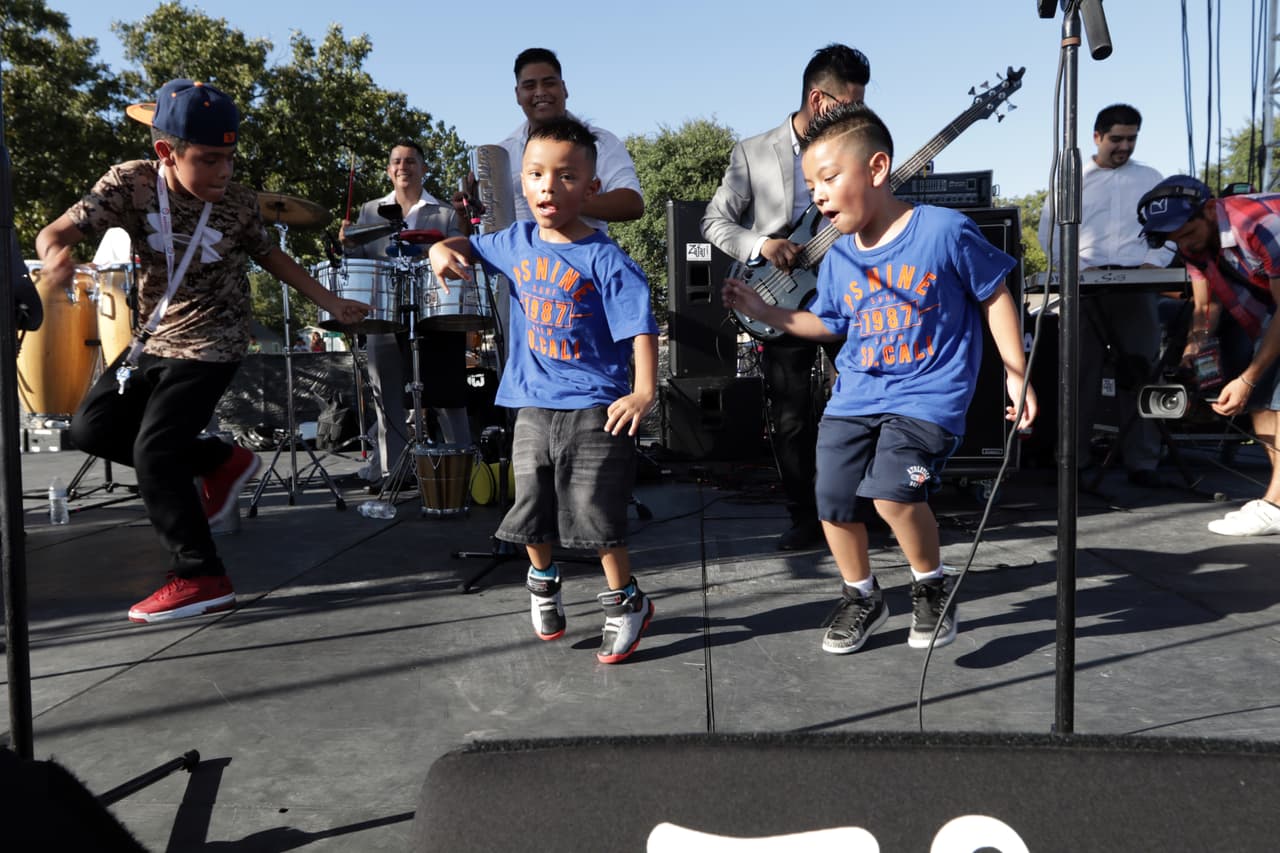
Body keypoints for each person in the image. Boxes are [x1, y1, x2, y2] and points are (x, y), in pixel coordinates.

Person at [34, 79, 367, 623]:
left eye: (230, 159)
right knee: (91, 428)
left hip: (216, 339)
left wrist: (331, 302)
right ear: (166, 152)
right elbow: (57, 231)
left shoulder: (237, 204)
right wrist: (54, 257)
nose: (225, 173)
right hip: (156, 339)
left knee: (156, 452)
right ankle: (222, 459)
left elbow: (274, 259)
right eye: (209, 160)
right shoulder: (132, 183)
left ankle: (200, 576)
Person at [723, 103, 1036, 654]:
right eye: (810, 184)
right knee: (832, 500)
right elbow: (829, 323)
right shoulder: (840, 256)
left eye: (828, 178)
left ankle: (931, 586)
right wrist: (767, 313)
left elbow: (994, 294)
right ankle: (862, 595)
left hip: (928, 397)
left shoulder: (943, 230)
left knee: (893, 494)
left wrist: (1017, 373)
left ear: (876, 168)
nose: (817, 194)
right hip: (855, 397)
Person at [428, 117, 659, 664]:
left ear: (591, 188)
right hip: (531, 398)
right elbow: (468, 244)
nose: (547, 187)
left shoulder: (605, 259)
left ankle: (625, 602)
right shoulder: (515, 241)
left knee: (596, 513)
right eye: (535, 174)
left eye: (564, 176)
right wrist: (443, 246)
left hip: (595, 402)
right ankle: (541, 581)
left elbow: (639, 328)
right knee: (530, 502)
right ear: (523, 183)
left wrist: (644, 392)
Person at [702, 43, 870, 551]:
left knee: (871, 395)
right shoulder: (753, 152)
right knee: (792, 416)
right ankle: (806, 516)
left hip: (846, 294)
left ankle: (865, 507)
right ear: (820, 102)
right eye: (851, 105)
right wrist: (763, 244)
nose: (858, 115)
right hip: (776, 297)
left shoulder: (854, 148)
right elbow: (715, 222)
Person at [1138, 175, 1280, 535]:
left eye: (1187, 233)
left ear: (1210, 209)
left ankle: (1276, 504)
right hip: (1269, 317)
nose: (1184, 244)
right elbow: (1206, 306)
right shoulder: (1194, 245)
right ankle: (1276, 504)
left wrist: (1246, 378)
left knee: (1264, 391)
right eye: (1175, 239)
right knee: (1263, 399)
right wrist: (1194, 348)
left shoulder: (1260, 226)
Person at [1038, 104, 1172, 486]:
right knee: (1079, 373)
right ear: (1097, 137)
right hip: (1084, 285)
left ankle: (1143, 462)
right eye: (1117, 139)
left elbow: (1167, 228)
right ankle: (1072, 460)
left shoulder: (1150, 177)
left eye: (1131, 139)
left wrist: (1155, 262)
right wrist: (1073, 270)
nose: (1124, 146)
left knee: (1142, 372)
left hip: (1136, 285)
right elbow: (1048, 232)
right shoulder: (1073, 178)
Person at [341, 139, 472, 488]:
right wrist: (347, 245)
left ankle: (462, 474)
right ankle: (393, 473)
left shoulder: (443, 213)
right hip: (384, 313)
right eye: (396, 161)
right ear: (389, 170)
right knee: (387, 399)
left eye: (411, 161)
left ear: (424, 169)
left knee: (447, 397)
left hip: (433, 314)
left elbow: (463, 251)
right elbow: (359, 264)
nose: (403, 166)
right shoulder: (370, 211)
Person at [499, 48, 643, 233]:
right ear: (517, 94)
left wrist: (566, 201)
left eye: (549, 83)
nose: (540, 92)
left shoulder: (601, 142)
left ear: (564, 88)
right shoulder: (501, 155)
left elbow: (632, 203)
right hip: (520, 262)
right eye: (529, 86)